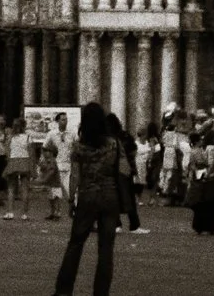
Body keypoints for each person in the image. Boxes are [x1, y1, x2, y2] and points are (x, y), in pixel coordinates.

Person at [54, 103, 124, 296]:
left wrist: (70, 200)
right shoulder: (113, 144)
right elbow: (122, 170)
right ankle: (101, 293)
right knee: (106, 248)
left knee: (76, 243)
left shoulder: (79, 147)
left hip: (88, 195)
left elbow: (75, 175)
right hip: (110, 196)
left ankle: (63, 291)